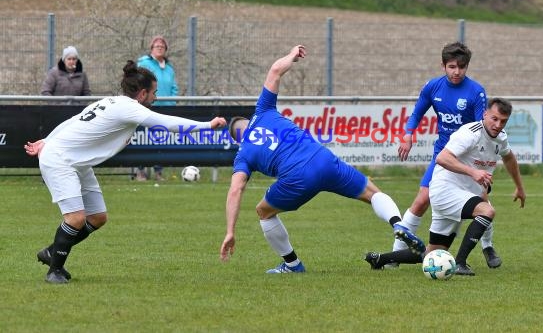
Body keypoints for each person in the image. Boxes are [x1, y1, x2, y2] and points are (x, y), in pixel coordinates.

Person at [218, 45, 425, 274]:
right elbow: (276, 70)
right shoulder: (263, 110)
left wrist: (230, 231)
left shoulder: (243, 153)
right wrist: (292, 54)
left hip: (297, 178)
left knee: (263, 212)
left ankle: (292, 265)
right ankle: (398, 224)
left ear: (237, 139)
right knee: (372, 193)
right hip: (323, 159)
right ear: (248, 121)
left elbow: (236, 189)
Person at [25, 61, 226, 284]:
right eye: (154, 93)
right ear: (142, 93)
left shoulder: (113, 102)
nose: (155, 97)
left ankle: (52, 251)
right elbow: (167, 123)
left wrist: (45, 140)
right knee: (76, 218)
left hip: (76, 162)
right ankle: (54, 271)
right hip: (60, 160)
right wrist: (207, 125)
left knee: (98, 217)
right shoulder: (130, 108)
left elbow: (72, 121)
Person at [365, 97, 526, 276]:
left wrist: (519, 187)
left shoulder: (501, 138)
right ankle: (460, 263)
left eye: (503, 121)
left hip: (461, 195)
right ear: (485, 114)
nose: (498, 124)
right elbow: (442, 158)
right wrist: (473, 172)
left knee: (432, 252)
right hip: (445, 190)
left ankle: (380, 259)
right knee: (486, 211)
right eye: (494, 119)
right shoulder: (470, 133)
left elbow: (509, 157)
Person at [389, 41, 502, 269]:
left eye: (461, 67)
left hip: (468, 158)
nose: (457, 72)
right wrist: (408, 135)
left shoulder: (476, 91)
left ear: (467, 67)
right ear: (443, 65)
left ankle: (488, 247)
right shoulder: (433, 87)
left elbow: (481, 128)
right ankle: (394, 256)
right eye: (452, 66)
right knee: (421, 201)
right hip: (443, 154)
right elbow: (417, 113)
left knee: (483, 201)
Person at [135, 35, 178, 181]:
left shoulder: (169, 68)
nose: (160, 48)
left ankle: (158, 172)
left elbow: (174, 87)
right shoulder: (144, 63)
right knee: (143, 139)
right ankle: (140, 171)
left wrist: (171, 103)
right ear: (151, 49)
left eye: (162, 46)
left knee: (161, 140)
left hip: (165, 108)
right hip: (147, 106)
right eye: (157, 46)